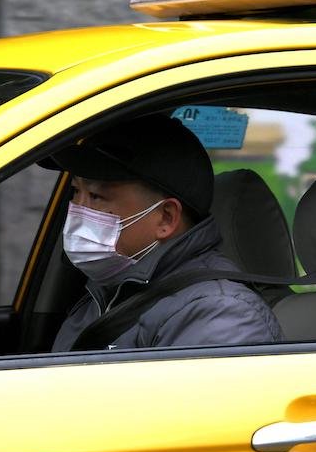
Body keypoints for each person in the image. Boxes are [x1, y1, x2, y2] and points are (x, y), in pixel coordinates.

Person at [43, 114, 282, 352]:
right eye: (75, 192)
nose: (78, 210)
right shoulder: (106, 291)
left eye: (96, 196)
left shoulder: (221, 314)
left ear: (166, 217)